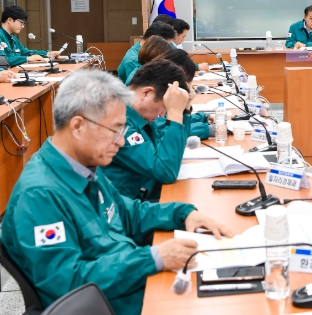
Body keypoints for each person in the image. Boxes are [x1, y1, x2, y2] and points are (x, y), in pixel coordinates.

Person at [0, 69, 232, 315]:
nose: (121, 142)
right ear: (78, 126)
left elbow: (127, 213)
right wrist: (152, 258)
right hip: (113, 304)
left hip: (129, 285)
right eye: (116, 130)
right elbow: (68, 283)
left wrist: (183, 214)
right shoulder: (39, 196)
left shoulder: (84, 165)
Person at [102, 60, 194, 200]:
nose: (162, 114)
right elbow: (166, 171)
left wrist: (184, 111)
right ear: (146, 93)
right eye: (164, 107)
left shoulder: (138, 116)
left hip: (146, 193)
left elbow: (169, 152)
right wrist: (175, 113)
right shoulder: (118, 122)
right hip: (128, 205)